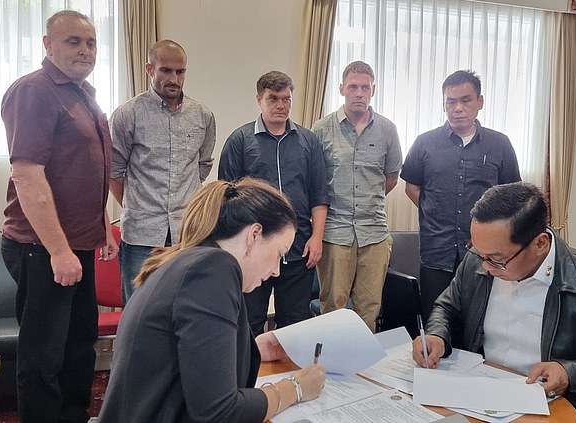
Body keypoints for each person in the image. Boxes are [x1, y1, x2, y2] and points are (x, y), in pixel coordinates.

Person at [98, 177, 326, 423]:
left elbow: (187, 357)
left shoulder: (191, 262)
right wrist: (295, 388)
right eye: (279, 254)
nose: (276, 271)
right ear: (255, 234)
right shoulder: (214, 269)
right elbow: (219, 413)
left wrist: (253, 349)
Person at [411, 182, 576, 423]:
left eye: (496, 259)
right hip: (479, 397)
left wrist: (571, 373)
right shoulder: (478, 259)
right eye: (478, 251)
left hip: (561, 406)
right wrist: (437, 335)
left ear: (540, 244)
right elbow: (449, 306)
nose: (484, 266)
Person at [0, 10, 118, 423]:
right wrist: (59, 251)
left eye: (90, 43)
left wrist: (103, 224)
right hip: (43, 250)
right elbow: (28, 176)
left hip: (78, 245)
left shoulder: (83, 93)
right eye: (73, 41)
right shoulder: (33, 92)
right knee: (42, 357)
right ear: (47, 45)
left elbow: (83, 169)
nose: (85, 50)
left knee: (78, 347)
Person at [400, 70, 521, 322]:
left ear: (480, 102)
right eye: (450, 101)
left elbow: (512, 197)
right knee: (436, 319)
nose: (457, 108)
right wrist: (433, 212)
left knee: (479, 321)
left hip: (484, 253)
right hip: (437, 249)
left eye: (465, 100)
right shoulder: (425, 143)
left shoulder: (500, 144)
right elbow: (411, 187)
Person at [218, 71, 328, 336]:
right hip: (253, 250)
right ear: (259, 100)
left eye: (286, 99)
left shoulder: (308, 141)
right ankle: (249, 376)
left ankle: (292, 377)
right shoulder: (240, 141)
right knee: (250, 321)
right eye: (273, 98)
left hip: (298, 247)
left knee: (295, 323)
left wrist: (317, 237)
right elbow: (226, 198)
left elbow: (319, 194)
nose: (281, 105)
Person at [110, 39, 216, 304]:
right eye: (166, 70)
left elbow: (202, 165)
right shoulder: (128, 115)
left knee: (186, 307)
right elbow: (114, 172)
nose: (174, 78)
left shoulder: (202, 115)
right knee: (139, 309)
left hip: (187, 234)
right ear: (149, 69)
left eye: (180, 72)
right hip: (141, 234)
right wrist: (138, 204)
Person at [311, 61, 402, 332]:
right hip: (335, 233)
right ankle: (329, 371)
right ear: (342, 89)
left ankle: (363, 371)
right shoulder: (322, 129)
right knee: (332, 307)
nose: (359, 93)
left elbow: (391, 177)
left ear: (373, 90)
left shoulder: (387, 129)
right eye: (353, 87)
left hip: (374, 233)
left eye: (365, 87)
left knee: (369, 308)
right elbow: (315, 182)